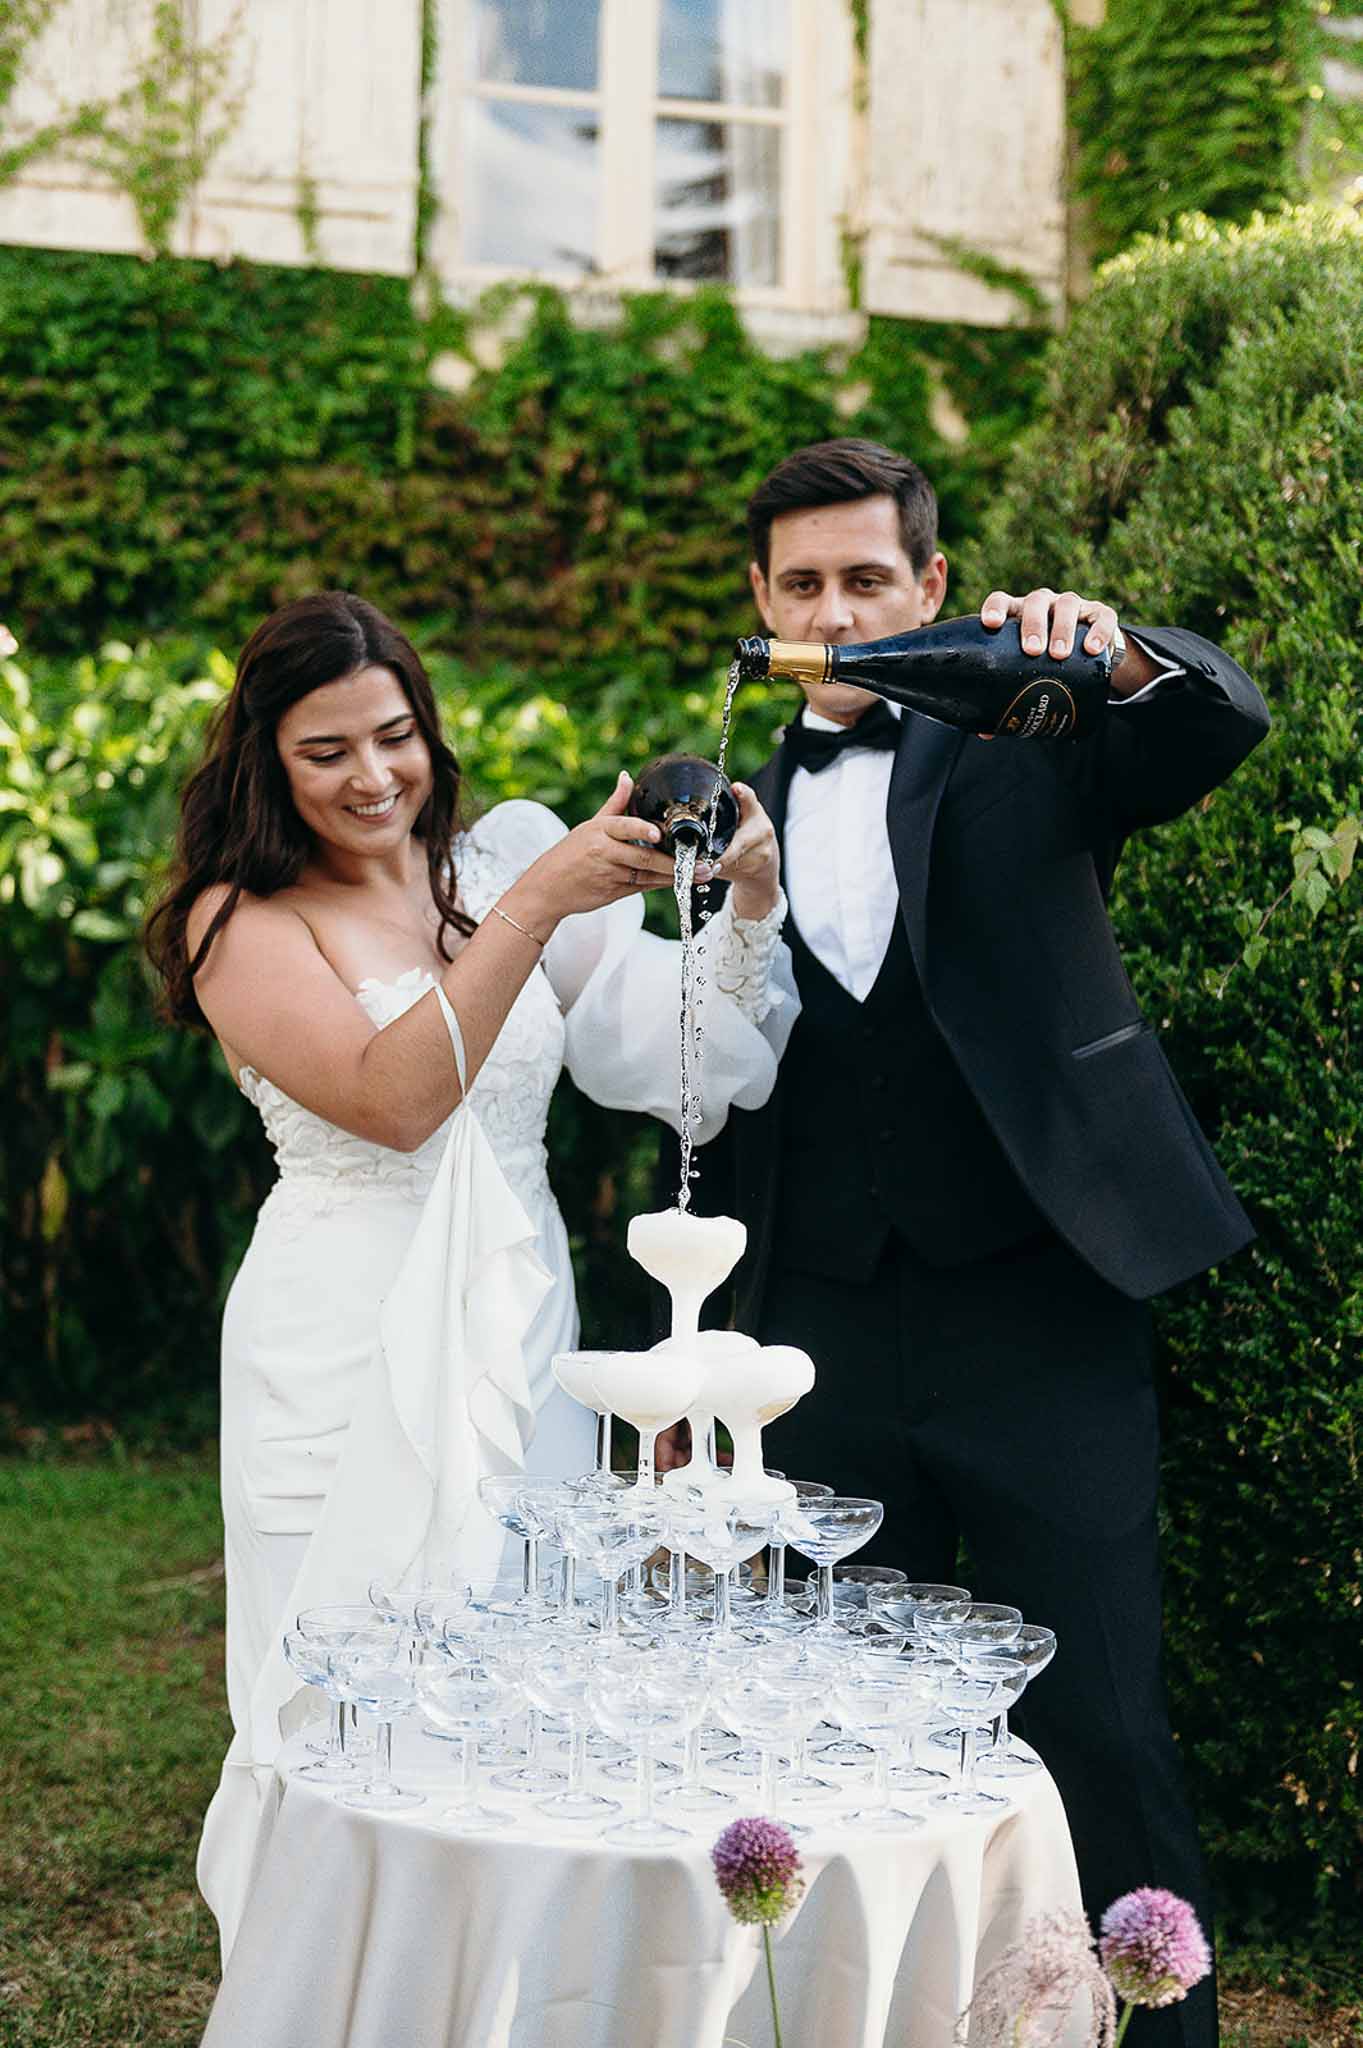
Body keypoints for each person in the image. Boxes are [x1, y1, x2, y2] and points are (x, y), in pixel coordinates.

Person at [667, 438, 1270, 2048]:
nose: (837, 609)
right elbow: (678, 1078)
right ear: (763, 603)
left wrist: (1124, 651)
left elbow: (1218, 719)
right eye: (804, 584)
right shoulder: (715, 790)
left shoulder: (1036, 733)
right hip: (812, 1328)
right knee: (806, 1727)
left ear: (929, 588)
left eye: (869, 579)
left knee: (1101, 1723)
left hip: (1041, 1312)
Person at [144, 591, 795, 1958]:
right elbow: (393, 1101)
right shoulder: (242, 920)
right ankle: (324, 1986)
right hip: (343, 1326)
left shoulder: (484, 881)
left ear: (430, 734)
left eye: (396, 737)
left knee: (525, 1661)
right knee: (347, 1673)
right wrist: (545, 895)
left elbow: (683, 1065)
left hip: (521, 1321)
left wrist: (742, 894)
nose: (373, 776)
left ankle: (496, 1989)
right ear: (265, 757)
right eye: (327, 751)